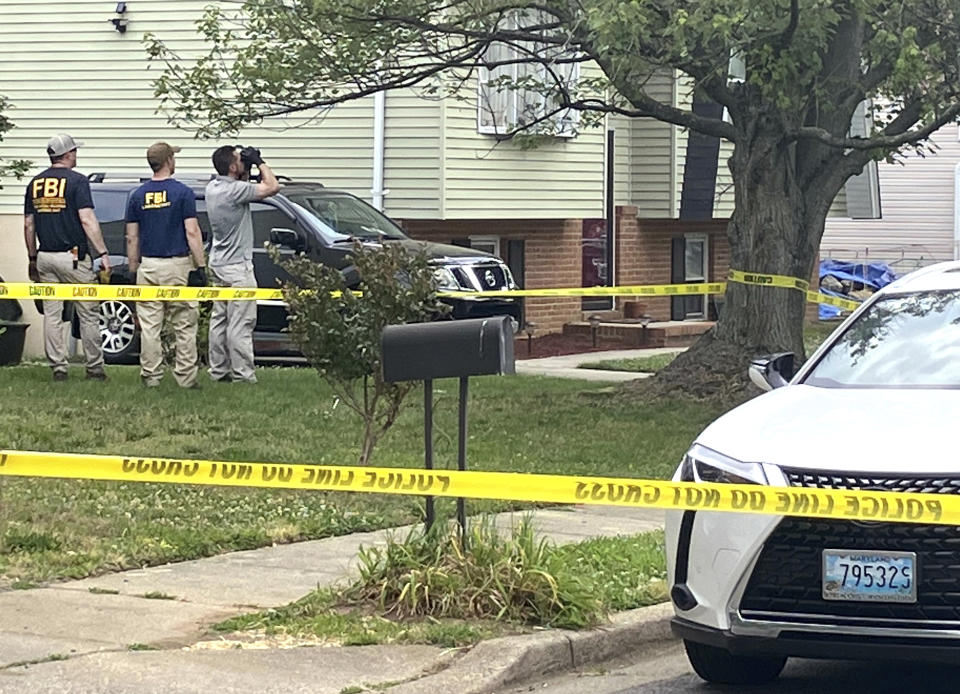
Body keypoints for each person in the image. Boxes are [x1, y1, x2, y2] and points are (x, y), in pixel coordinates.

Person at [23, 133, 111, 382]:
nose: (76, 155)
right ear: (68, 154)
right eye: (74, 151)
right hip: (73, 256)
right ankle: (94, 368)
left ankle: (58, 367)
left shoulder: (35, 184)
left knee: (52, 314)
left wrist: (32, 257)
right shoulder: (78, 182)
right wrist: (102, 253)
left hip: (45, 257)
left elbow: (29, 225)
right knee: (88, 312)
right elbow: (87, 219)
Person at [125, 142, 207, 389]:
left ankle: (151, 376)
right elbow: (191, 231)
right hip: (177, 265)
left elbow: (132, 236)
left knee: (150, 325)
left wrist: (132, 268)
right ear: (169, 160)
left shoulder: (137, 195)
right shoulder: (182, 193)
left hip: (148, 265)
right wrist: (200, 266)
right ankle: (185, 378)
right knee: (184, 323)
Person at [205, 145, 280, 383]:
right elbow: (272, 187)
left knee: (220, 319)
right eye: (240, 160)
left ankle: (219, 370)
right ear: (232, 166)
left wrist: (245, 171)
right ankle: (243, 374)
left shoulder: (213, 188)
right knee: (241, 321)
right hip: (237, 265)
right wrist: (259, 161)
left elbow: (247, 186)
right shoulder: (235, 191)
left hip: (218, 261)